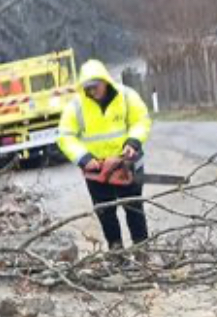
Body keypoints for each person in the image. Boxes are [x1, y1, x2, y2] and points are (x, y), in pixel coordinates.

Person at [57, 59, 152, 251]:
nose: (92, 91)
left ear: (105, 81)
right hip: (97, 169)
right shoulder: (76, 105)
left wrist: (133, 142)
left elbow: (141, 120)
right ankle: (116, 251)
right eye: (88, 88)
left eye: (95, 86)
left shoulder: (126, 96)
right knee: (105, 212)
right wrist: (84, 158)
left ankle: (142, 249)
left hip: (126, 164)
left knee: (134, 208)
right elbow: (65, 136)